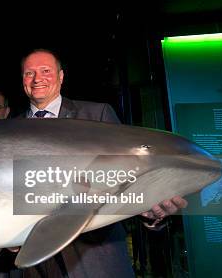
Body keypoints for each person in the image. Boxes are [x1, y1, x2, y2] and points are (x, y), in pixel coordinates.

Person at [17, 49, 188, 277]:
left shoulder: (97, 115)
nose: (37, 79)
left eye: (45, 71)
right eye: (29, 73)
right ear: (23, 80)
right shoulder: (11, 128)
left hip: (95, 258)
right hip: (34, 263)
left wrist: (150, 212)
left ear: (61, 76)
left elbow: (128, 178)